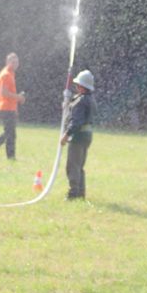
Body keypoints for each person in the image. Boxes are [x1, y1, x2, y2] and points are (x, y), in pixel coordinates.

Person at [60, 70, 95, 200]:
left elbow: (76, 121)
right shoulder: (89, 99)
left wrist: (66, 135)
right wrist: (67, 103)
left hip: (78, 136)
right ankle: (81, 192)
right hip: (87, 136)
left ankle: (73, 193)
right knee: (80, 165)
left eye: (78, 85)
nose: (76, 87)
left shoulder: (81, 101)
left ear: (82, 86)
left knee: (73, 165)